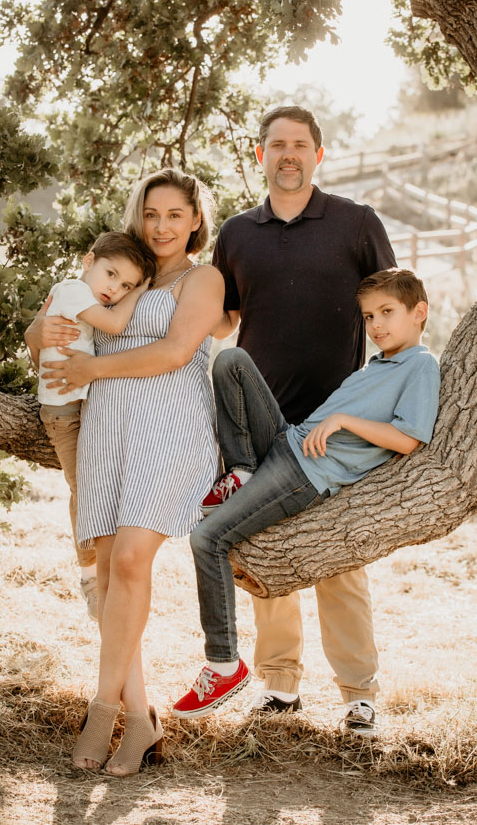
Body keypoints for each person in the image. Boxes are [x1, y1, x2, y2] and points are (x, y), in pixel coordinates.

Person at [173, 268, 440, 735]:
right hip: (286, 441)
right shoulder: (378, 364)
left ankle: (224, 663)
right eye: (369, 316)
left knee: (207, 539)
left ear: (419, 312)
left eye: (387, 312)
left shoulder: (421, 365)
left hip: (305, 474)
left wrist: (344, 421)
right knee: (232, 360)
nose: (376, 325)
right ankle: (242, 470)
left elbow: (408, 438)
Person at [31, 168, 224, 775]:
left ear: (195, 220)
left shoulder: (203, 278)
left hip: (171, 426)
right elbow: (49, 331)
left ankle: (101, 708)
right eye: (151, 213)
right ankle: (139, 717)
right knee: (112, 573)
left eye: (175, 215)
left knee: (134, 560)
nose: (161, 226)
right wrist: (40, 331)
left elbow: (175, 352)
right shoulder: (116, 269)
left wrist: (92, 370)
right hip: (107, 427)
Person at [206, 105, 397, 719]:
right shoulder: (236, 233)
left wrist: (390, 393)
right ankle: (280, 684)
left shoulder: (356, 222)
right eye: (276, 145)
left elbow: (393, 308)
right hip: (262, 424)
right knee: (271, 554)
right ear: (259, 155)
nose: (288, 155)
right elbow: (222, 321)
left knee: (341, 558)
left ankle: (359, 695)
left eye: (299, 145)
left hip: (340, 426)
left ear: (318, 154)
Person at [31, 232, 156, 620]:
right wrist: (141, 292)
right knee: (83, 491)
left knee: (96, 487)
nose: (115, 289)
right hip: (64, 415)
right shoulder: (73, 291)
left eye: (126, 285)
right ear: (88, 262)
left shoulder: (87, 300)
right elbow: (116, 325)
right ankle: (89, 577)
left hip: (83, 408)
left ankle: (106, 570)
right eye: (111, 274)